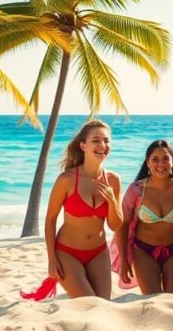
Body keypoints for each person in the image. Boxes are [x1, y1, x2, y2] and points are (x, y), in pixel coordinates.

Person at [39, 120, 123, 299]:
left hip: (98, 252)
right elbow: (50, 219)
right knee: (89, 302)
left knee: (103, 303)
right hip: (67, 253)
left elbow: (115, 226)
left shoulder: (113, 180)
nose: (102, 145)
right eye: (96, 140)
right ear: (83, 146)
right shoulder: (67, 179)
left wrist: (112, 201)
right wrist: (52, 260)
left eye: (106, 141)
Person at [116, 140, 173, 294]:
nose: (160, 163)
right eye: (155, 159)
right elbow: (123, 225)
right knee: (152, 299)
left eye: (165, 159)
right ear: (147, 163)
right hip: (143, 251)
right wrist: (124, 261)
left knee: (172, 300)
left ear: (172, 162)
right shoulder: (136, 190)